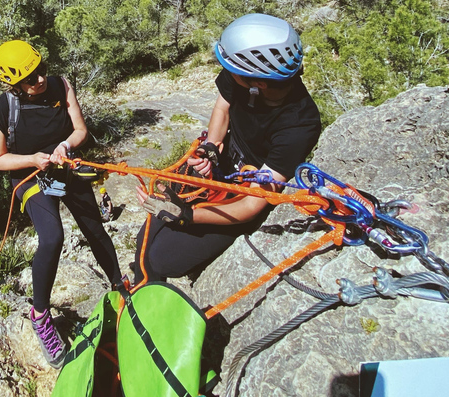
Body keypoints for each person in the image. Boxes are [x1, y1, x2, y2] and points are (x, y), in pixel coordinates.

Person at [135, 13, 322, 282]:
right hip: (218, 169)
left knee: (160, 262)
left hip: (241, 195)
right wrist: (212, 146)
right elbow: (222, 108)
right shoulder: (244, 75)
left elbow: (252, 204)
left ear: (258, 83)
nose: (228, 74)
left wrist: (189, 215)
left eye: (234, 72)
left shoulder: (299, 125)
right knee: (145, 241)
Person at [0, 40, 122, 369]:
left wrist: (63, 146)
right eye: (30, 79)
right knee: (52, 237)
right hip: (30, 178)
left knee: (94, 228)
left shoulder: (61, 86)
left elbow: (80, 131)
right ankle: (40, 314)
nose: (39, 80)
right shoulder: (3, 109)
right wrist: (33, 159)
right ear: (15, 84)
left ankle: (121, 287)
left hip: (64, 166)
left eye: (41, 71)